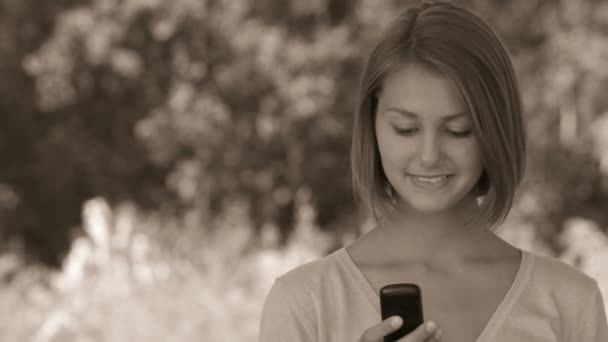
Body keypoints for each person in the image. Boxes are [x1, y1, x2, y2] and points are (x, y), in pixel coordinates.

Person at [258, 1, 608, 341]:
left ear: (496, 130)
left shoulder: (571, 303)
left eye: (458, 130)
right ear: (372, 125)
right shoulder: (304, 304)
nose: (429, 156)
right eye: (406, 129)